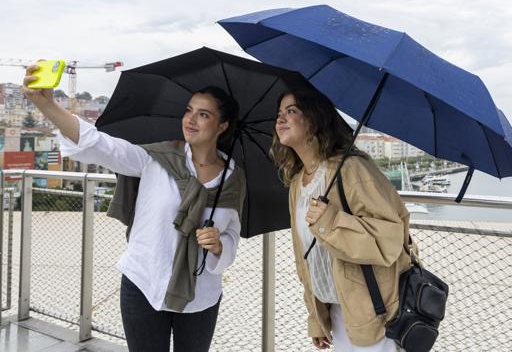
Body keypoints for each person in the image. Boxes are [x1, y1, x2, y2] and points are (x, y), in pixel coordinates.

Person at [23, 65, 245, 352]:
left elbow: (232, 237)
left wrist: (218, 245)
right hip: (143, 283)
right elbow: (101, 145)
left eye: (203, 115)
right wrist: (47, 104)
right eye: (189, 110)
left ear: (222, 126)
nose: (190, 120)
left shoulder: (231, 178)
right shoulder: (155, 159)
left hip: (201, 294)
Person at [271, 88, 412, 351]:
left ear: (314, 119)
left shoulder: (352, 169)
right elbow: (307, 260)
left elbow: (391, 238)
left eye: (291, 111)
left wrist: (331, 221)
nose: (280, 120)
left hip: (373, 311)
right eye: (279, 114)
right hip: (336, 311)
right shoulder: (298, 184)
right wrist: (317, 318)